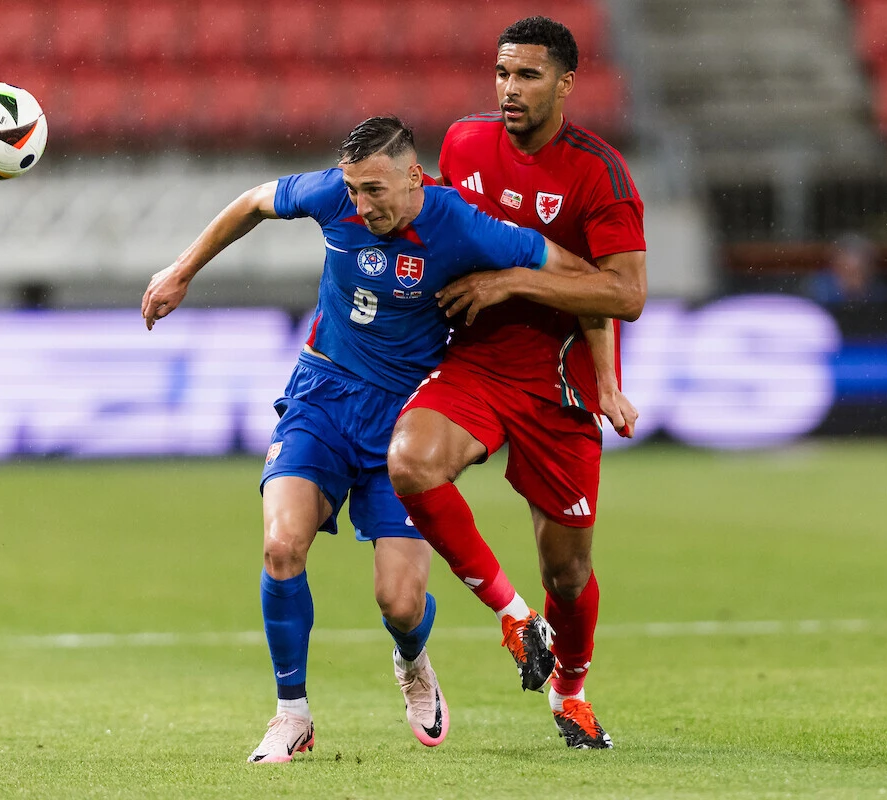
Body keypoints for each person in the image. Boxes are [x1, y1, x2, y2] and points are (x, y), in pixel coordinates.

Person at [142, 115, 603, 763]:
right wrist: (182, 270)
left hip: (406, 420)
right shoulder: (331, 193)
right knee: (281, 546)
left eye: (374, 191)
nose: (361, 204)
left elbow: (576, 275)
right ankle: (292, 715)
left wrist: (565, 327)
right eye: (354, 189)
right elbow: (251, 203)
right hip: (321, 398)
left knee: (400, 600)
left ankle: (412, 660)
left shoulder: (460, 223)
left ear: (415, 176)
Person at [387, 16, 647, 750]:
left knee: (567, 573)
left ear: (566, 83)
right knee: (410, 461)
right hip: (475, 362)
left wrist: (601, 376)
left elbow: (624, 294)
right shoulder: (465, 144)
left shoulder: (599, 173)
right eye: (502, 73)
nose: (509, 89)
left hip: (556, 384)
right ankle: (510, 615)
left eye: (528, 76)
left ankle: (571, 692)